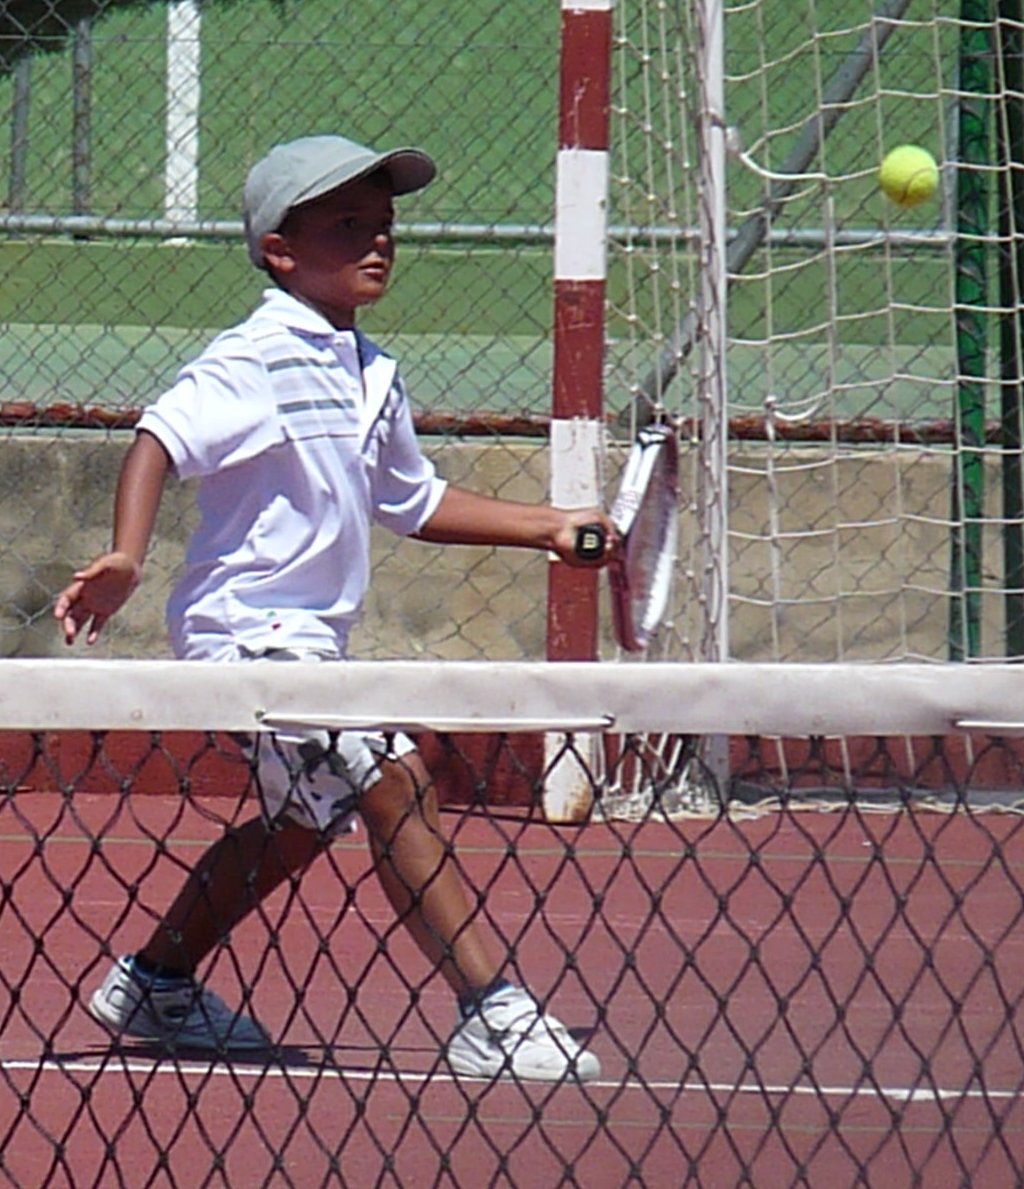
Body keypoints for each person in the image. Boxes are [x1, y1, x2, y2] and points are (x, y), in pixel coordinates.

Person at [52, 134, 612, 1083]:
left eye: (384, 225)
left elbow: (412, 501)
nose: (377, 242)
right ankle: (491, 1010)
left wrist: (548, 525)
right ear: (280, 251)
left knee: (302, 822)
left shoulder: (372, 372)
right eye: (347, 225)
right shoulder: (256, 357)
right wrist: (127, 557)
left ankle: (155, 981)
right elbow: (158, 439)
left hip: (313, 642)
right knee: (391, 773)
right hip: (244, 633)